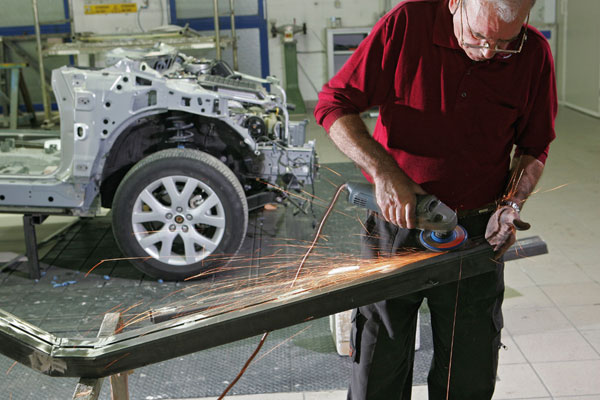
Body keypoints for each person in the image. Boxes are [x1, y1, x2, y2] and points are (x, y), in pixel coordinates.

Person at [314, 0, 557, 398]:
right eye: (478, 35)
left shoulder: (533, 54)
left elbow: (534, 147)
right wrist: (384, 171)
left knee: (468, 376)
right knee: (379, 370)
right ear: (456, 2)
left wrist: (511, 206)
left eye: (504, 42)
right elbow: (334, 105)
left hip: (477, 235)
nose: (487, 52)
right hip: (395, 227)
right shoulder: (407, 23)